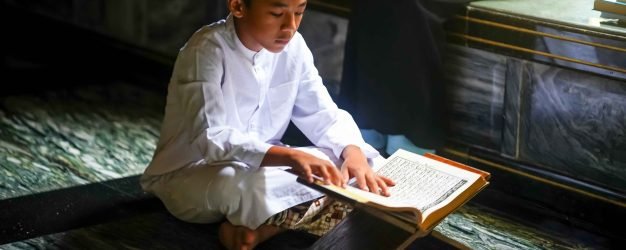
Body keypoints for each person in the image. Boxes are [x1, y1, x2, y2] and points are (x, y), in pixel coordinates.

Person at [140, 0, 394, 249]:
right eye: (276, 13)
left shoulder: (295, 47)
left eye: (299, 12)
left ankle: (265, 227)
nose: (290, 26)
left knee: (358, 163)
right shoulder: (205, 50)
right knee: (244, 185)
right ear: (238, 6)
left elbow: (322, 112)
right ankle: (291, 218)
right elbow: (211, 137)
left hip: (268, 166)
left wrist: (352, 152)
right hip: (195, 174)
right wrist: (290, 156)